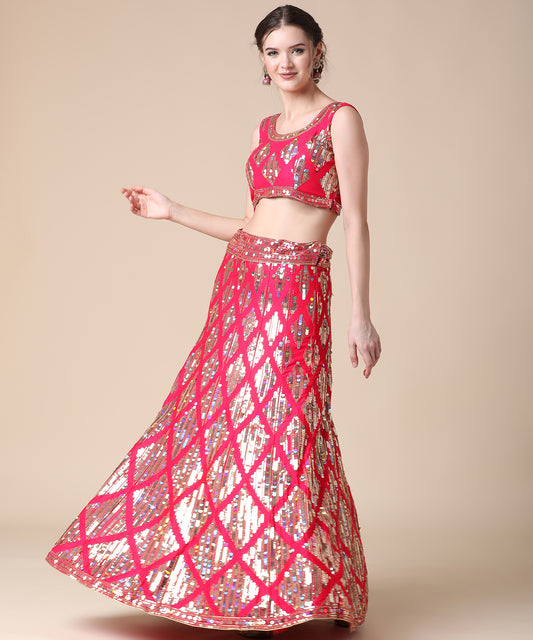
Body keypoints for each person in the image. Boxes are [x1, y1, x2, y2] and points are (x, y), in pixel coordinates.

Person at [45, 4, 381, 638]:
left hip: (296, 290)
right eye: (273, 53)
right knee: (221, 427)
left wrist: (361, 315)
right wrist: (172, 211)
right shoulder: (263, 130)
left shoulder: (342, 119)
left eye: (297, 50)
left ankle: (305, 587)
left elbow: (357, 224)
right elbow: (251, 226)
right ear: (262, 61)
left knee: (288, 428)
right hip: (240, 287)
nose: (285, 63)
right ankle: (244, 584)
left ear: (317, 52)